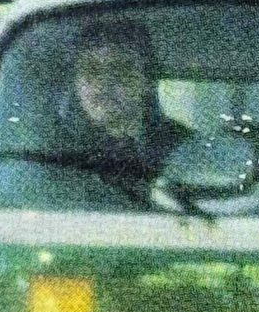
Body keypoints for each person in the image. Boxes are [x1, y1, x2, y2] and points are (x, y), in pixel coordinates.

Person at [50, 18, 187, 193]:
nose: (103, 83)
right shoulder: (60, 150)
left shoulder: (181, 147)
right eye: (91, 70)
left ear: (147, 81)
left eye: (121, 69)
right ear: (76, 83)